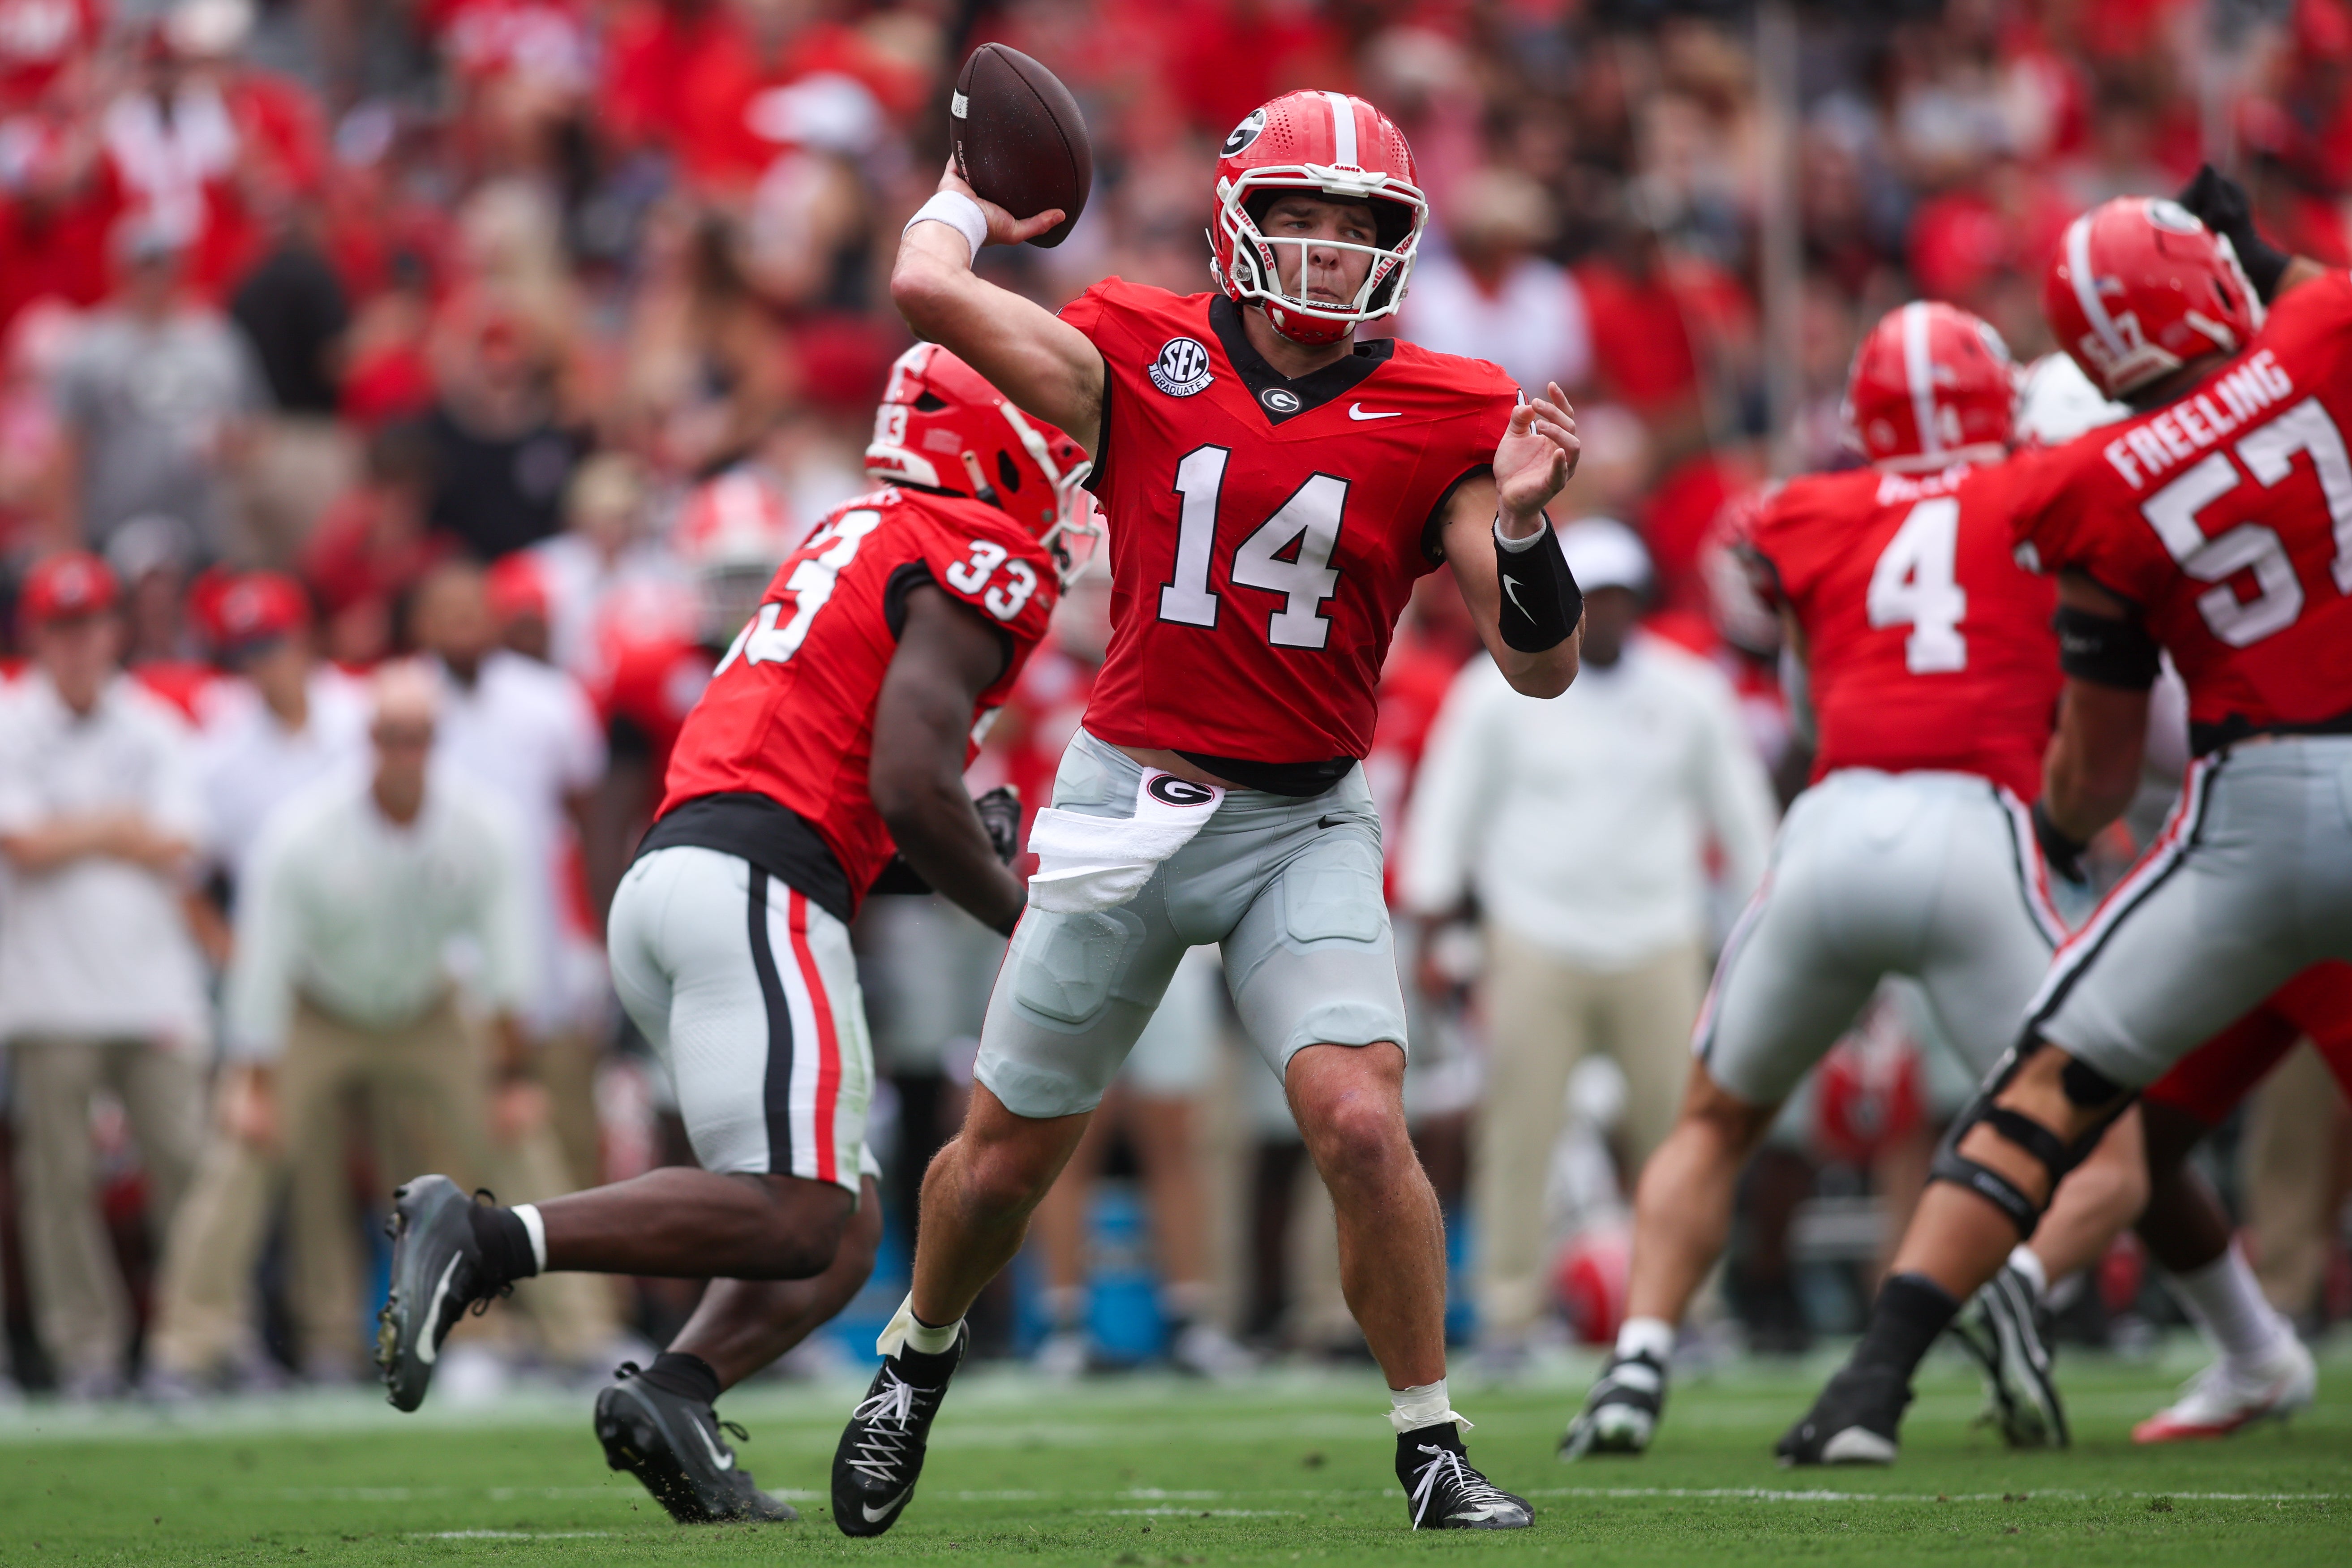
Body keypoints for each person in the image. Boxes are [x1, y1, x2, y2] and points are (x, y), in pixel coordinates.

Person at [835, 89, 1583, 1537]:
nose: (1325, 247)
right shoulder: (1135, 341)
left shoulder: (1453, 408)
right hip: (1125, 796)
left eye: (1358, 224)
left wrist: (1530, 524)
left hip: (1301, 819)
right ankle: (914, 1361)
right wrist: (963, 194)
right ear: (1241, 219)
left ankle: (1430, 1444)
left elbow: (1540, 668)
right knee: (1003, 1156)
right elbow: (927, 287)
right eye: (1298, 214)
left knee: (1364, 1121)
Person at [373, 344, 1084, 1529]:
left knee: (846, 1225)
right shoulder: (971, 551)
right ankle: (487, 1235)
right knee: (796, 1209)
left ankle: (677, 1391)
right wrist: (1022, 911)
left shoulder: (859, 528)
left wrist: (954, 846)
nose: (1066, 479)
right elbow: (909, 781)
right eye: (1050, 444)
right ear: (990, 444)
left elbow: (860, 797)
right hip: (752, 884)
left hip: (697, 874)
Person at [1778, 175, 2352, 1465]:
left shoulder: (2084, 485)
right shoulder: (2315, 339)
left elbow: (2094, 769)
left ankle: (1870, 1387)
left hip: (2247, 815)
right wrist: (2259, 253)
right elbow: (2315, 300)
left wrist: (2045, 834)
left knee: (2039, 1091)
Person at [1563, 302, 2155, 1462]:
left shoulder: (1803, 510)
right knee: (2105, 1151)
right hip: (1981, 825)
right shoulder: (2042, 487)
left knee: (1713, 1117)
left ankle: (1636, 1359)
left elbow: (1804, 706)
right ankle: (2006, 1283)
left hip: (1833, 825)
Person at [1403, 516, 1775, 1368]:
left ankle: (1694, 1308)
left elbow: (1743, 815)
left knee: (1683, 1134)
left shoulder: (1689, 692)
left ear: (1637, 602)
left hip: (1661, 935)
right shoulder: (1494, 690)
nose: (1602, 613)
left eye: (1616, 597)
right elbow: (1447, 807)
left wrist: (1764, 913)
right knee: (1520, 1131)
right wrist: (1432, 914)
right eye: (1590, 596)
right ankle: (1509, 1312)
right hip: (1534, 936)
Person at [149, 661, 533, 1387]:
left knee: (514, 1133)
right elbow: (264, 961)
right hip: (317, 1008)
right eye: (393, 736)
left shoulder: (484, 825)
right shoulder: (305, 833)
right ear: (369, 739)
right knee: (242, 1149)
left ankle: (577, 1334)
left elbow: (508, 959)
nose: (406, 752)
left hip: (428, 1004)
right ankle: (183, 1346)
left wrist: (511, 1076)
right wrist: (255, 1081)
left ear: (437, 741)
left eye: (419, 737)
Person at [0, 551, 210, 1400]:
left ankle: (191, 1342)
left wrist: (74, 833)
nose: (79, 643)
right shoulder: (13, 719)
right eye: (62, 626)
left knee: (189, 1168)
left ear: (115, 629)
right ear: (38, 634)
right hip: (46, 992)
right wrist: (119, 826)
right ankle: (85, 1347)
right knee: (58, 1182)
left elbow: (183, 840)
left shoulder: (155, 721)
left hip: (152, 983)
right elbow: (23, 844)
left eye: (90, 624)